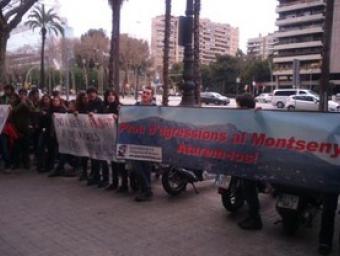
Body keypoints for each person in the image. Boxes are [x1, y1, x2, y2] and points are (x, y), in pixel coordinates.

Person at [235, 94, 263, 230]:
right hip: (243, 159)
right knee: (247, 190)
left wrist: (258, 114)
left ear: (245, 106)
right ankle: (252, 216)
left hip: (251, 160)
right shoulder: (244, 118)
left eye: (239, 106)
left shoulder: (257, 117)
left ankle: (255, 219)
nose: (237, 108)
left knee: (250, 190)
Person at [130, 86, 156, 202]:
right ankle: (146, 189)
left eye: (147, 93)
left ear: (151, 96)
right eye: (144, 92)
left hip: (149, 142)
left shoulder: (155, 108)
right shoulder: (136, 106)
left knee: (146, 167)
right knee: (137, 166)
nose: (145, 94)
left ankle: (146, 190)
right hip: (136, 141)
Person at [85, 87, 104, 186]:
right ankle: (94, 175)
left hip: (99, 133)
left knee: (99, 157)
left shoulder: (100, 103)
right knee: (92, 156)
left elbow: (103, 115)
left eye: (92, 93)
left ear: (96, 93)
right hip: (91, 132)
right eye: (89, 93)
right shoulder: (88, 103)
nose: (91, 95)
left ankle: (100, 177)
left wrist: (95, 114)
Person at [74, 92, 89, 181]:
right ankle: (84, 172)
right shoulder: (78, 108)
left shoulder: (90, 106)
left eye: (86, 98)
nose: (85, 99)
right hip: (82, 133)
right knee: (83, 154)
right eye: (83, 98)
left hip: (90, 132)